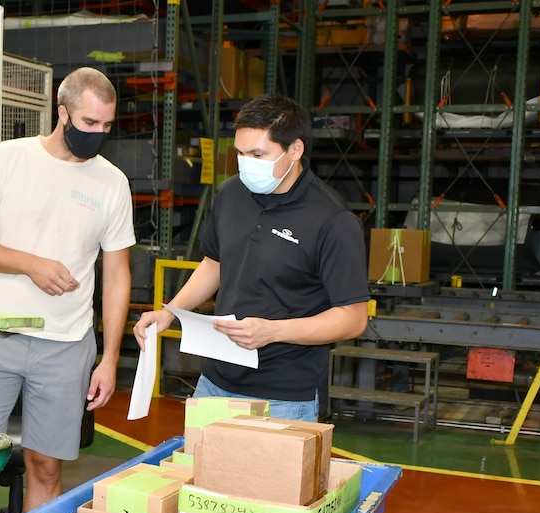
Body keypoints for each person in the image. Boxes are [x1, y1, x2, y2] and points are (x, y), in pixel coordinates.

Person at [0, 67, 135, 513]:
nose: (98, 135)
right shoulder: (9, 158)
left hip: (67, 346)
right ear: (62, 113)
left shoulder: (112, 182)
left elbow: (116, 275)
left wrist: (109, 357)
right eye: (89, 123)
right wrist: (29, 264)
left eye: (107, 126)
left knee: (46, 466)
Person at [133, 92, 368, 421]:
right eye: (241, 154)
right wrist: (170, 312)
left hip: (285, 395)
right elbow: (214, 264)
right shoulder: (230, 194)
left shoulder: (332, 220)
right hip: (215, 380)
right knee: (199, 471)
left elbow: (353, 318)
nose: (247, 164)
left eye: (259, 154)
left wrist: (273, 331)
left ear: (295, 150)